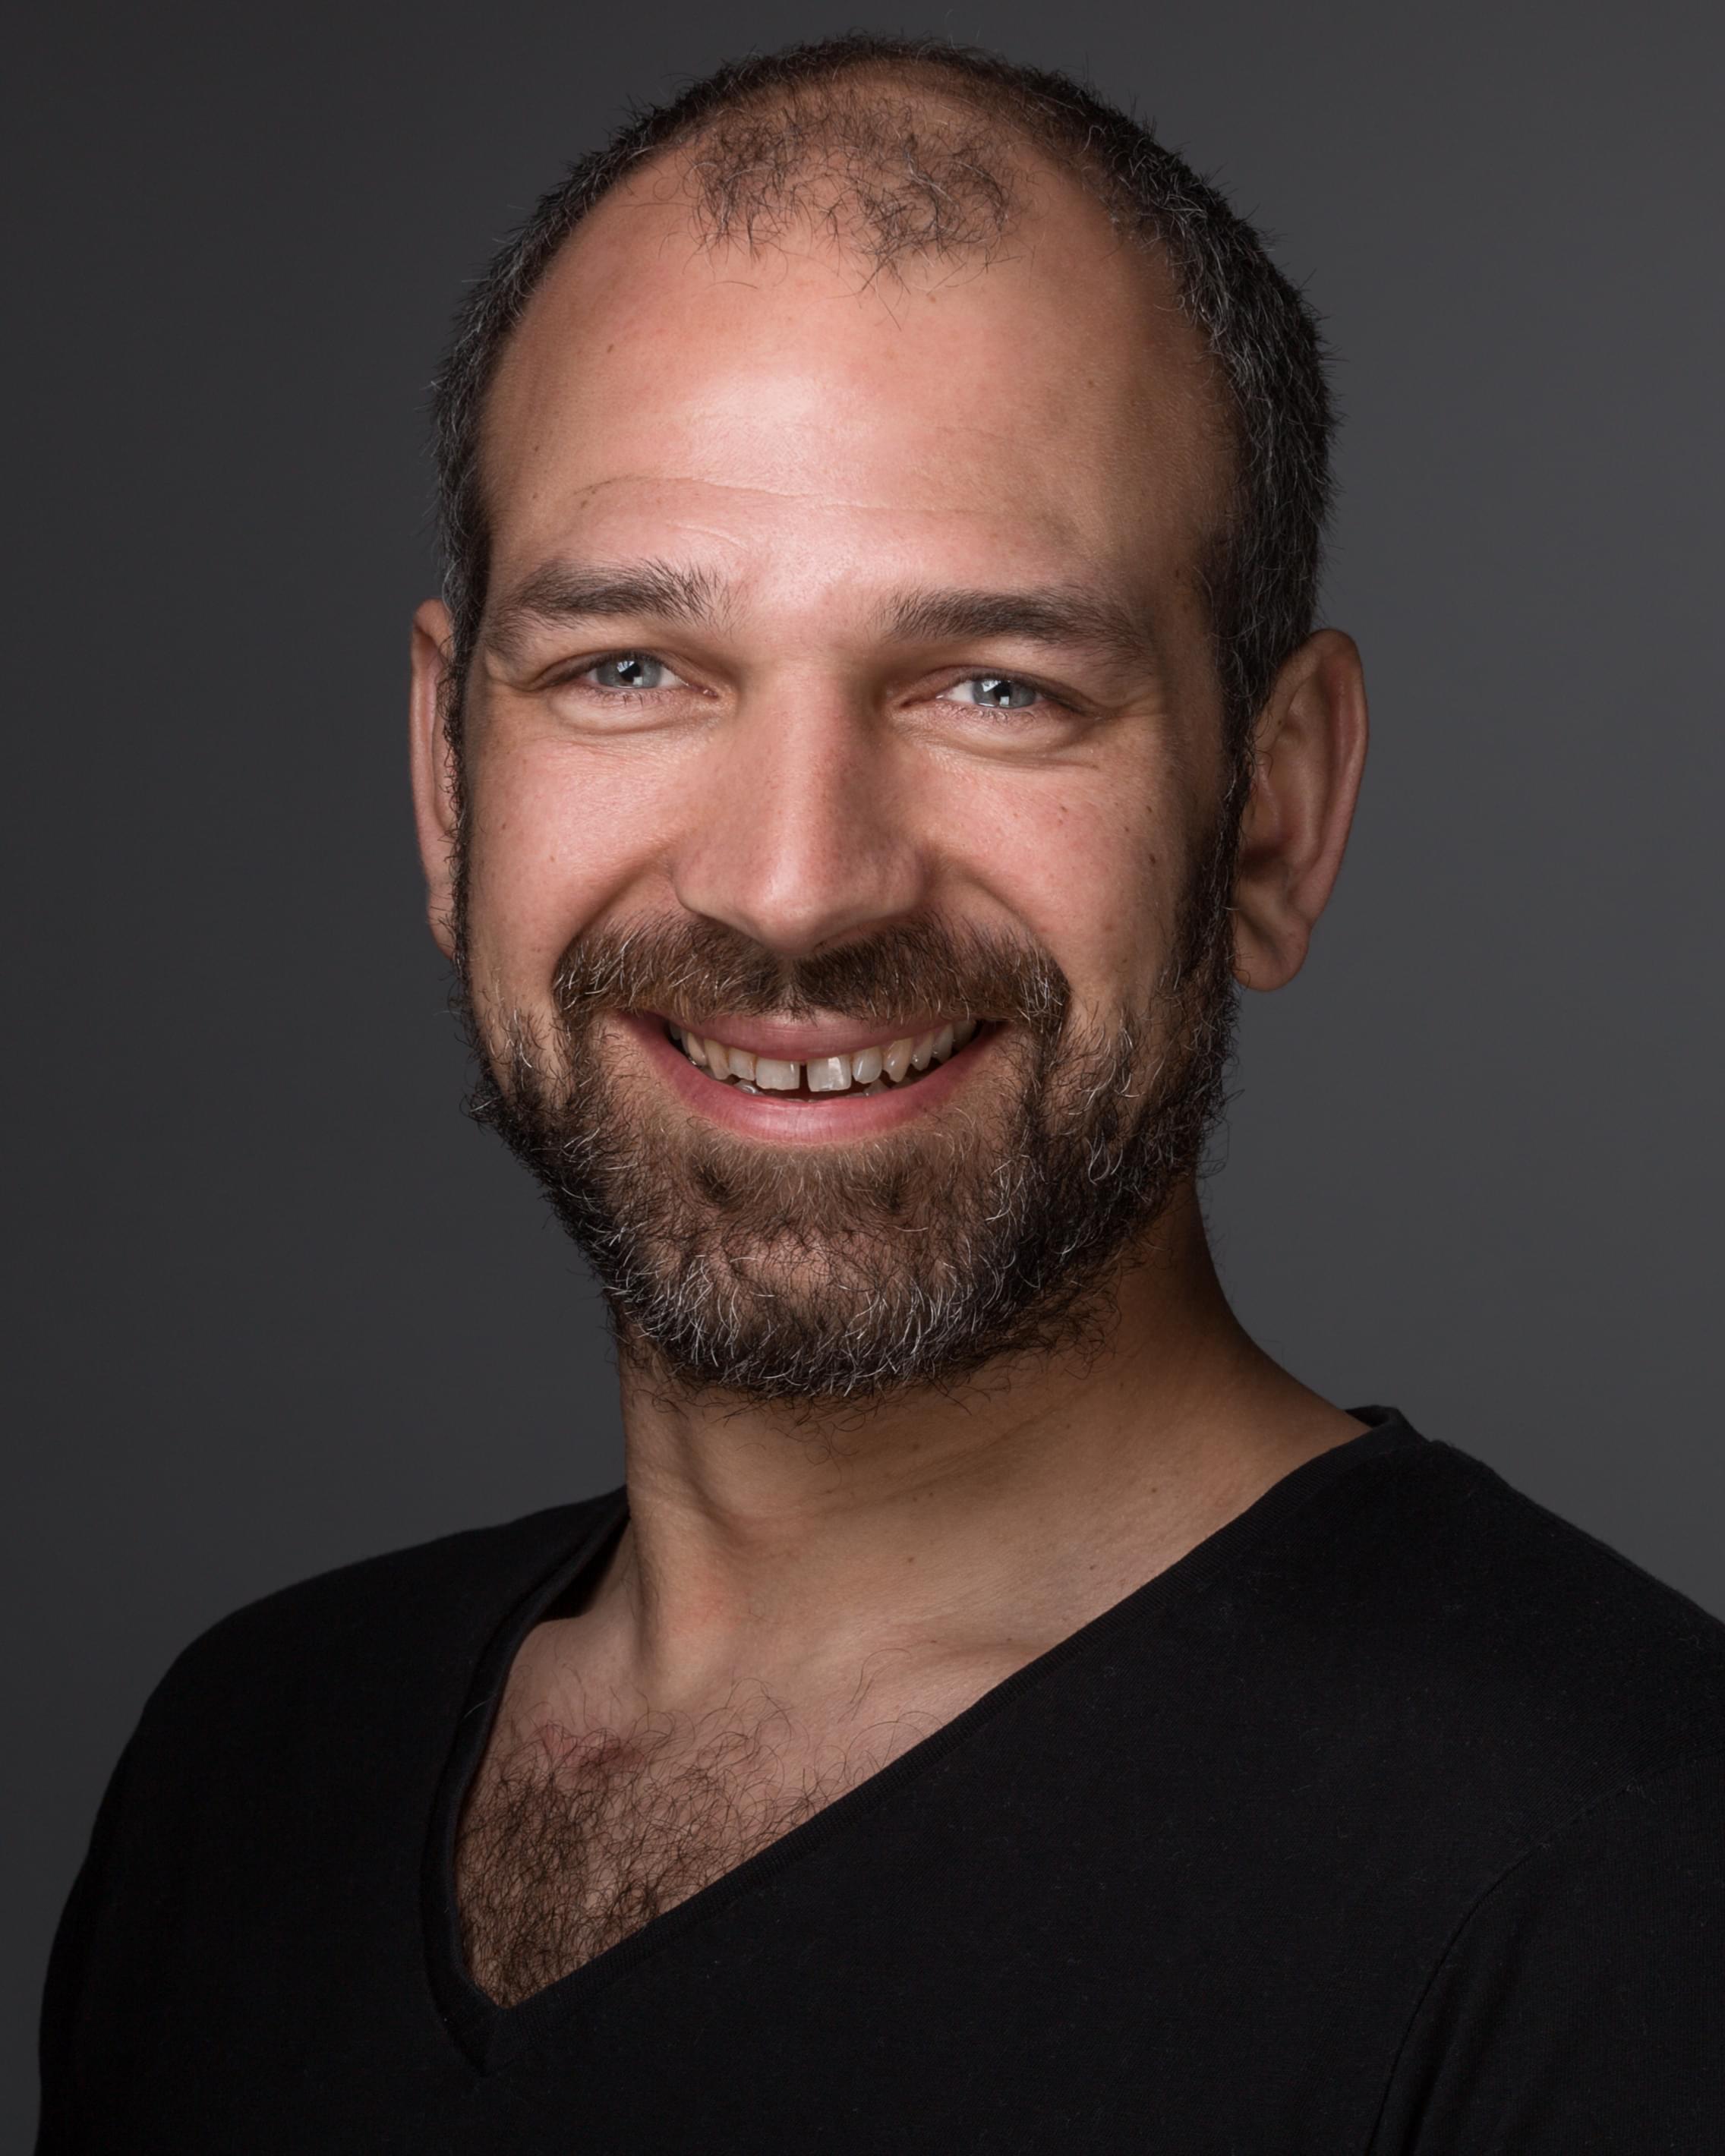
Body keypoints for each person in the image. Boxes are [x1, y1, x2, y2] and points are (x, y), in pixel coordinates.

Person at [36, 33, 1725, 2154]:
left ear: (1277, 813)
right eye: (631, 670)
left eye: (995, 685)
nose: (795, 883)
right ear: (450, 786)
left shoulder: (1623, 1880)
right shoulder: (252, 1766)